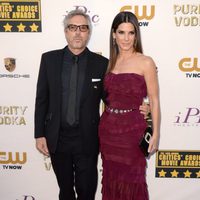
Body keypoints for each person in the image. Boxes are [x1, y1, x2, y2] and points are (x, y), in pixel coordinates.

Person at [34, 9, 149, 200]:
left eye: (83, 28)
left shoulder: (102, 63)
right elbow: (41, 99)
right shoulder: (49, 60)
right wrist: (39, 134)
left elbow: (113, 98)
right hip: (57, 138)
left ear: (89, 33)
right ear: (66, 31)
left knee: (87, 191)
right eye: (73, 27)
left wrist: (140, 107)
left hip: (87, 138)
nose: (78, 32)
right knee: (65, 191)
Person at [99, 11, 160, 200]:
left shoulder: (146, 62)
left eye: (131, 33)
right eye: (121, 32)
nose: (126, 38)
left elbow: (155, 99)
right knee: (111, 179)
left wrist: (156, 134)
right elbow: (106, 99)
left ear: (136, 35)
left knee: (134, 181)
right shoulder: (108, 63)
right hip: (108, 132)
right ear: (113, 34)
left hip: (133, 133)